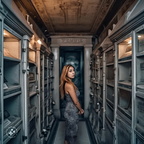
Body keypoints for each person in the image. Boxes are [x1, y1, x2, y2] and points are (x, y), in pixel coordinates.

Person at [60, 64, 84, 144]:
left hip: (69, 109)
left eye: (73, 70)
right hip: (71, 110)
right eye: (70, 71)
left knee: (69, 131)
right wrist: (80, 109)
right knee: (72, 133)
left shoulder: (68, 83)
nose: (73, 72)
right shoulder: (69, 85)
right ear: (65, 73)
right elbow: (76, 101)